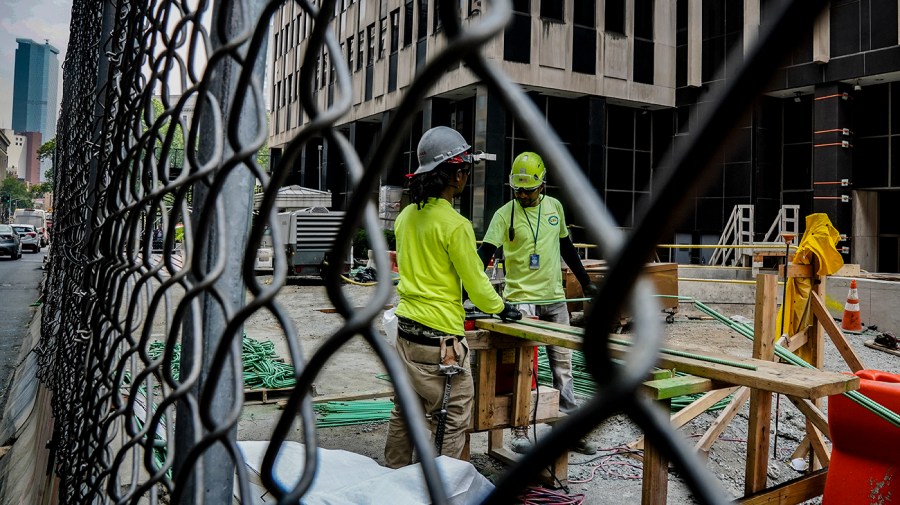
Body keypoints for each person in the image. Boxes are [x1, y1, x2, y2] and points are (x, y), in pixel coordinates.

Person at [384, 126, 522, 468]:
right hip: (441, 342)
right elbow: (476, 284)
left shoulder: (405, 217)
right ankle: (445, 489)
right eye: (464, 171)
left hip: (405, 333)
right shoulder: (455, 225)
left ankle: (392, 479)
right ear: (456, 174)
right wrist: (502, 308)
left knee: (406, 412)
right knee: (453, 417)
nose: (465, 178)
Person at [478, 151, 599, 455]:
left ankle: (569, 429)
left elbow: (567, 248)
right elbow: (484, 256)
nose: (523, 195)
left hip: (554, 299)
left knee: (563, 366)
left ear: (542, 185)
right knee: (522, 368)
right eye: (518, 190)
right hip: (520, 302)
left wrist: (586, 283)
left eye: (528, 190)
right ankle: (521, 431)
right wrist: (468, 290)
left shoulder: (554, 208)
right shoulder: (504, 214)